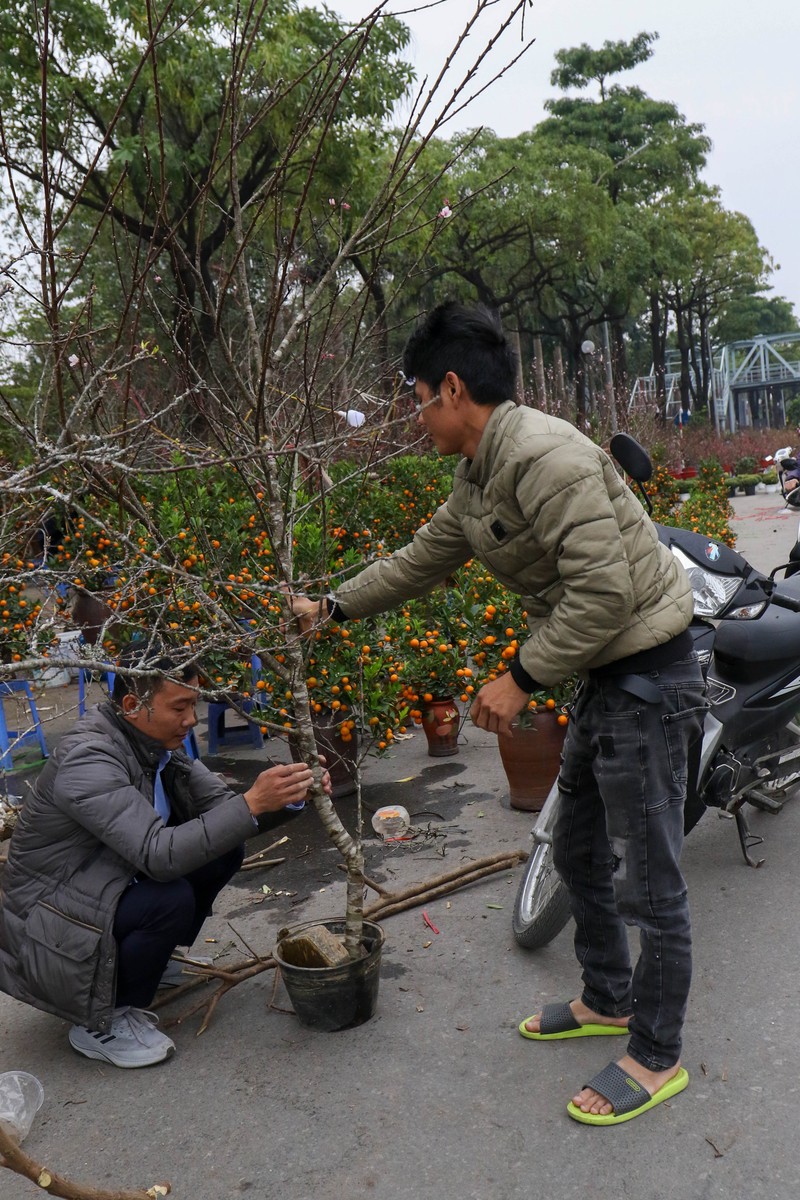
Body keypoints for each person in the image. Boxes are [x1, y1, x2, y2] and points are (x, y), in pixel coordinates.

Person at [290, 301, 707, 1125]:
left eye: (418, 398)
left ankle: (657, 1055)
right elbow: (421, 558)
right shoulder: (479, 473)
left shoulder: (548, 459)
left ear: (454, 389)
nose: (416, 416)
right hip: (603, 675)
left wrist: (518, 677)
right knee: (579, 848)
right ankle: (607, 998)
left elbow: (606, 592)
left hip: (650, 676)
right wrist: (330, 607)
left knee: (650, 882)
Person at [0, 647, 328, 1069]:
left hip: (96, 891)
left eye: (193, 704)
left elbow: (224, 812)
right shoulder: (89, 758)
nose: (191, 719)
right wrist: (251, 803)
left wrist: (285, 795)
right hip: (44, 933)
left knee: (221, 849)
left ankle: (148, 962)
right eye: (180, 706)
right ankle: (104, 1020)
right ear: (134, 706)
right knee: (167, 897)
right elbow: (160, 855)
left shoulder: (157, 748)